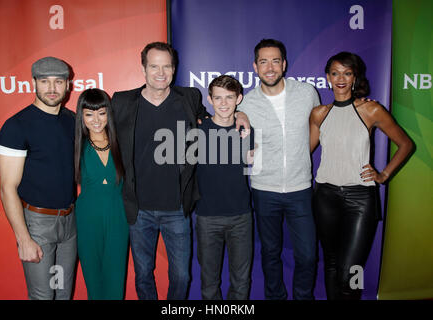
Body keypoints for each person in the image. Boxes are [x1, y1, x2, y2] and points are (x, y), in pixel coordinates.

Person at [111, 42, 250, 300]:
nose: (160, 72)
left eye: (167, 66)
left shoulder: (189, 98)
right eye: (154, 66)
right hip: (139, 209)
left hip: (177, 208)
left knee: (182, 277)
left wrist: (242, 114)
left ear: (174, 70)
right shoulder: (122, 102)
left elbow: (218, 118)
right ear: (143, 69)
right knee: (143, 275)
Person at [309, 52, 413, 300]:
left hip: (360, 198)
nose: (341, 78)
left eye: (347, 73)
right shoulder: (319, 114)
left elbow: (406, 144)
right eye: (335, 73)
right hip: (325, 196)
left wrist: (384, 174)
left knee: (351, 269)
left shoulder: (371, 109)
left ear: (355, 77)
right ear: (328, 78)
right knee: (332, 263)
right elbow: (303, 152)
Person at [237, 39, 319, 300]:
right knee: (270, 253)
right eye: (263, 61)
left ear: (284, 64)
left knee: (307, 255)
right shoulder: (246, 104)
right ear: (255, 66)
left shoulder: (307, 93)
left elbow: (316, 129)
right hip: (264, 190)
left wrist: (300, 155)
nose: (269, 67)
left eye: (275, 60)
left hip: (300, 189)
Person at [0, 57, 77, 300]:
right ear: (34, 83)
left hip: (70, 224)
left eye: (58, 81)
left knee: (62, 293)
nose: (52, 88)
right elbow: (7, 187)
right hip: (38, 225)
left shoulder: (73, 120)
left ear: (68, 85)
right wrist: (23, 239)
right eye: (44, 81)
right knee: (43, 296)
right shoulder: (16, 126)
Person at [195, 75, 254, 300]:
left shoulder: (246, 130)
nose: (223, 103)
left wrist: (243, 121)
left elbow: (250, 163)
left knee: (241, 283)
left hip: (241, 216)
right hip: (207, 217)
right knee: (209, 283)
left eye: (229, 97)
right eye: (218, 98)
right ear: (210, 99)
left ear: (239, 98)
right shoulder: (198, 131)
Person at [74, 88, 129, 300]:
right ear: (82, 116)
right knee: (93, 281)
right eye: (89, 114)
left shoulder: (122, 141)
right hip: (88, 219)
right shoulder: (76, 144)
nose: (96, 119)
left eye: (101, 112)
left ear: (109, 113)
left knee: (115, 279)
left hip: (118, 217)